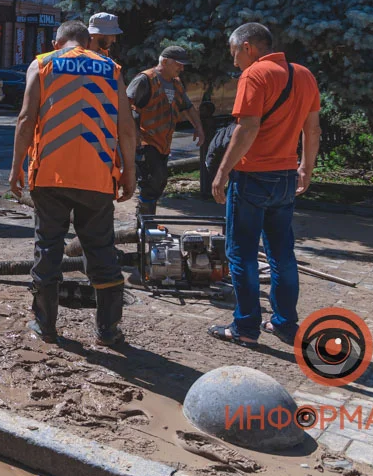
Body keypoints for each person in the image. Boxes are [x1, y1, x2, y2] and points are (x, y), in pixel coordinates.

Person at [9, 20, 138, 346]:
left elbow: (26, 119)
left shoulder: (43, 64)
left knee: (48, 248)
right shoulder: (111, 68)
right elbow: (126, 127)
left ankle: (46, 326)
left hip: (51, 175)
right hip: (97, 177)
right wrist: (129, 171)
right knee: (101, 251)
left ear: (58, 40)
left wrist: (16, 168)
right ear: (86, 41)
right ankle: (108, 331)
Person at [209, 23, 321, 348]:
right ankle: (285, 324)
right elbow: (312, 130)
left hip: (252, 178)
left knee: (240, 253)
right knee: (283, 255)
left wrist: (222, 172)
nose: (234, 63)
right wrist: (306, 168)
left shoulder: (255, 75)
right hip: (286, 177)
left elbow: (247, 128)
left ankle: (245, 328)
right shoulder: (304, 75)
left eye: (234, 54)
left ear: (248, 48)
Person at [127, 45, 205, 218]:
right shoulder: (145, 79)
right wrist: (134, 132)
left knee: (159, 182)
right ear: (164, 61)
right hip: (146, 141)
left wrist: (199, 128)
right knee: (152, 180)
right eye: (178, 64)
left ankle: (147, 221)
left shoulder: (176, 83)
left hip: (163, 143)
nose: (182, 68)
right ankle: (145, 221)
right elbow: (126, 105)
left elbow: (188, 107)